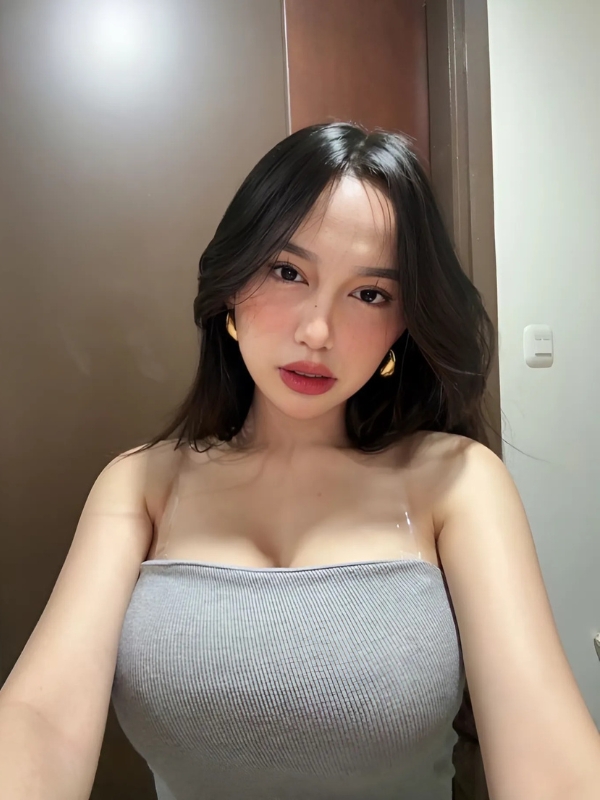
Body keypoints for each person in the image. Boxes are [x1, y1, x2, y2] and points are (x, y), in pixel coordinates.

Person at [1, 123, 598, 800]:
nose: (318, 332)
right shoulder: (141, 485)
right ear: (232, 283)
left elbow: (548, 757)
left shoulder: (457, 483)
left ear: (403, 323)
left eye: (370, 294)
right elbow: (41, 719)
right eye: (288, 272)